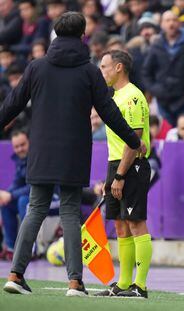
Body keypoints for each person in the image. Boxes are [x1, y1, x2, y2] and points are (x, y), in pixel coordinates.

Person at [0, 12, 144, 296]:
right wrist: (133, 139)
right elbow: (108, 111)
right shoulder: (89, 71)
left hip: (40, 149)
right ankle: (75, 282)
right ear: (82, 36)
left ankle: (15, 275)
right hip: (74, 151)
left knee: (35, 209)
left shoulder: (36, 66)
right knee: (69, 211)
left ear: (55, 34)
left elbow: (12, 104)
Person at [95, 50, 152, 298]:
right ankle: (123, 283)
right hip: (115, 164)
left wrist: (119, 176)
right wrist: (112, 175)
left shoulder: (133, 97)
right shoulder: (115, 97)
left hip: (132, 165)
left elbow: (134, 140)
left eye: (105, 66)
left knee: (135, 222)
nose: (101, 71)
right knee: (119, 225)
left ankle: (140, 286)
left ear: (119, 67)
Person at [141, 11, 184, 126]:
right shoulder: (156, 45)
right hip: (163, 100)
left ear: (179, 23)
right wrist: (155, 89)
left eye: (174, 20)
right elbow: (146, 72)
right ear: (161, 24)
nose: (171, 24)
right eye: (167, 20)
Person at [0, 130, 30, 260]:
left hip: (53, 198)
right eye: (16, 147)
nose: (20, 149)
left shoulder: (37, 157)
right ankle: (11, 248)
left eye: (22, 145)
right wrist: (6, 194)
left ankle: (27, 249)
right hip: (31, 198)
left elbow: (34, 186)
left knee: (22, 201)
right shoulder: (21, 160)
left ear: (30, 142)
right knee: (6, 204)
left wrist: (11, 195)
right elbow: (17, 183)